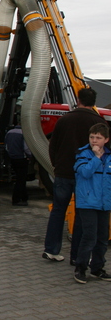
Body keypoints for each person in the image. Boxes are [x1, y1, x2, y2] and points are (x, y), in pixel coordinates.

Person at [43, 88, 108, 263]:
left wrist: (57, 165)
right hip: (86, 177)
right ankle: (77, 256)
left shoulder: (64, 120)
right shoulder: (98, 122)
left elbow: (52, 145)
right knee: (81, 214)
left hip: (63, 173)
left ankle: (51, 249)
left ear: (78, 100)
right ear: (94, 102)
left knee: (58, 211)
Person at [72, 123, 111, 283]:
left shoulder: (109, 156)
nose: (94, 141)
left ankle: (97, 268)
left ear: (106, 140)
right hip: (87, 202)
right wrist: (96, 158)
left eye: (98, 138)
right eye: (92, 137)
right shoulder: (83, 154)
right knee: (89, 236)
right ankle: (80, 268)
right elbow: (85, 172)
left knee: (102, 237)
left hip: (104, 203)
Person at [5, 121, 32, 206]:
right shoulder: (23, 134)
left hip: (13, 158)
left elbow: (6, 146)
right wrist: (30, 155)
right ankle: (16, 199)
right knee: (21, 180)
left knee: (19, 178)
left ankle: (24, 197)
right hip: (22, 158)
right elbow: (26, 147)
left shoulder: (9, 132)